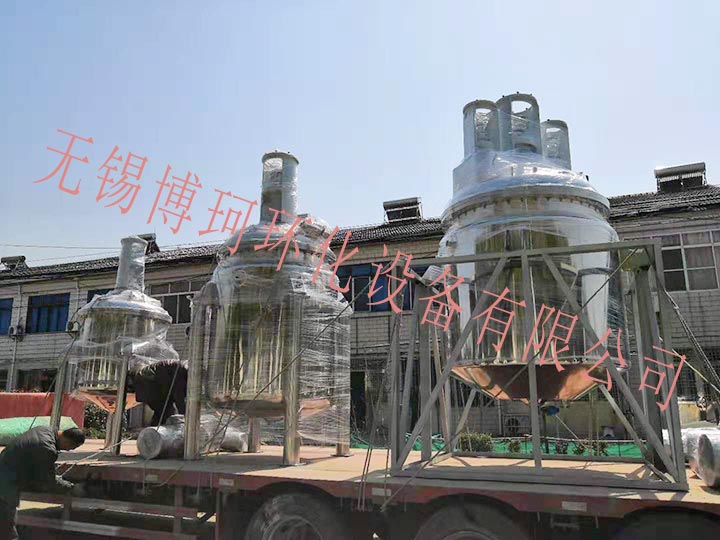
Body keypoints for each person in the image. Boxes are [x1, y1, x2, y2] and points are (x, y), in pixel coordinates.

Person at [0, 426, 86, 540]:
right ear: (67, 441)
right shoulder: (47, 448)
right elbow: (48, 481)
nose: (69, 450)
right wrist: (71, 487)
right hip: (7, 481)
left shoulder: (43, 429)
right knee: (6, 525)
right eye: (72, 447)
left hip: (6, 470)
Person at [130, 360, 188, 426]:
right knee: (165, 413)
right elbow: (179, 396)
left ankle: (155, 429)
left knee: (164, 413)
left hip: (155, 385)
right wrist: (186, 417)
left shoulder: (184, 371)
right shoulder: (182, 372)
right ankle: (155, 430)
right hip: (149, 385)